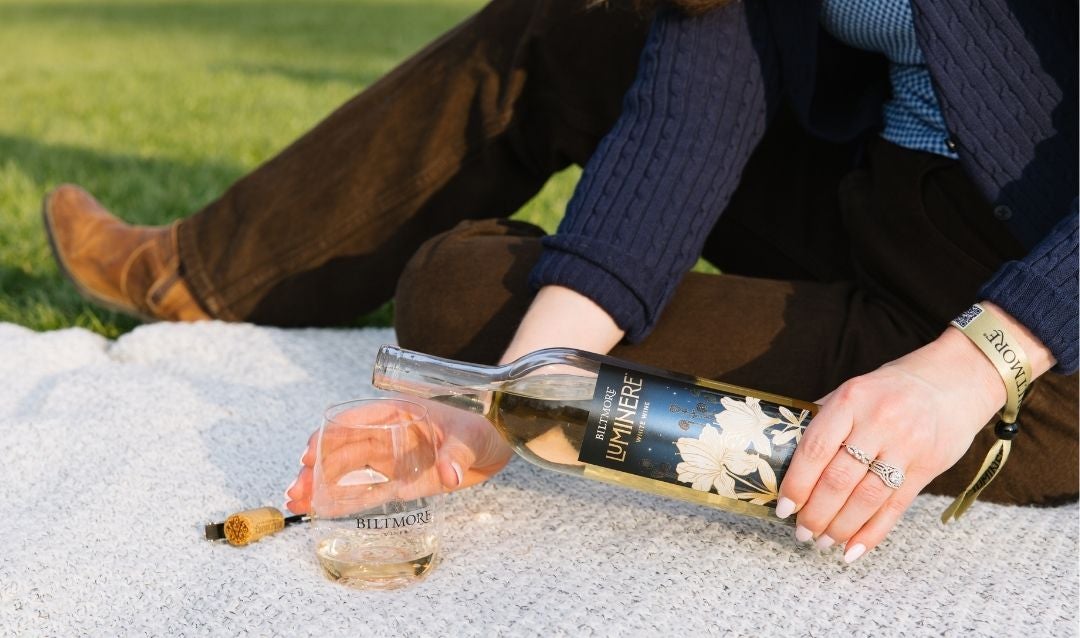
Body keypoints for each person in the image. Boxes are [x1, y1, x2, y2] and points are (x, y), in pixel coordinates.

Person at [43, 0, 1077, 562]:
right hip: (870, 194)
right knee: (570, 23)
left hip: (1047, 338)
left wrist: (969, 364)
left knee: (458, 302)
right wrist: (515, 396)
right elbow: (692, 106)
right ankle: (204, 273)